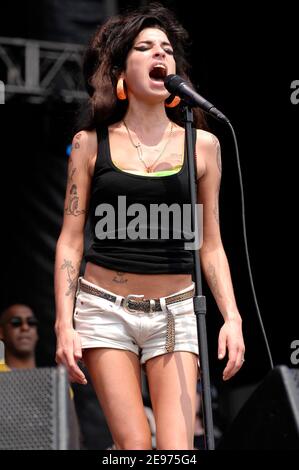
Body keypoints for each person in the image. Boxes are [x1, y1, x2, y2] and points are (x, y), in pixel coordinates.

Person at [54, 2, 245, 450]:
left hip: (177, 311)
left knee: (178, 451)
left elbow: (211, 244)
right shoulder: (89, 144)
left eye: (167, 49)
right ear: (122, 72)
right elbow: (70, 241)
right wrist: (65, 323)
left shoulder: (205, 147)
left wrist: (231, 317)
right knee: (136, 447)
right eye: (145, 47)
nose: (160, 54)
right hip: (105, 310)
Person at [0, 304, 39, 371]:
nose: (25, 327)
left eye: (31, 322)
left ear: (37, 333)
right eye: (16, 322)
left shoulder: (55, 377)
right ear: (1, 332)